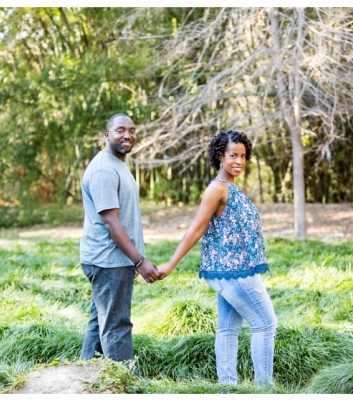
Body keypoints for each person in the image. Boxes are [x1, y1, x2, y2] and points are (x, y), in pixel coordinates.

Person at [156, 129, 277, 387]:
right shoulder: (217, 189)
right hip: (232, 272)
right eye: (233, 155)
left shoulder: (231, 188)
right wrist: (170, 264)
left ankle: (227, 388)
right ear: (220, 156)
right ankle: (265, 389)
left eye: (243, 156)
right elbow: (196, 229)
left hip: (230, 271)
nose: (239, 161)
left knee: (228, 329)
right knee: (266, 324)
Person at [79, 113, 161, 365]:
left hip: (115, 260)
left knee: (101, 320)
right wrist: (138, 261)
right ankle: (124, 385)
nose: (128, 135)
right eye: (120, 130)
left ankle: (84, 377)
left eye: (132, 130)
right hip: (108, 261)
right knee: (117, 326)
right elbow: (110, 222)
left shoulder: (116, 164)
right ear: (107, 135)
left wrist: (130, 260)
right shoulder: (104, 170)